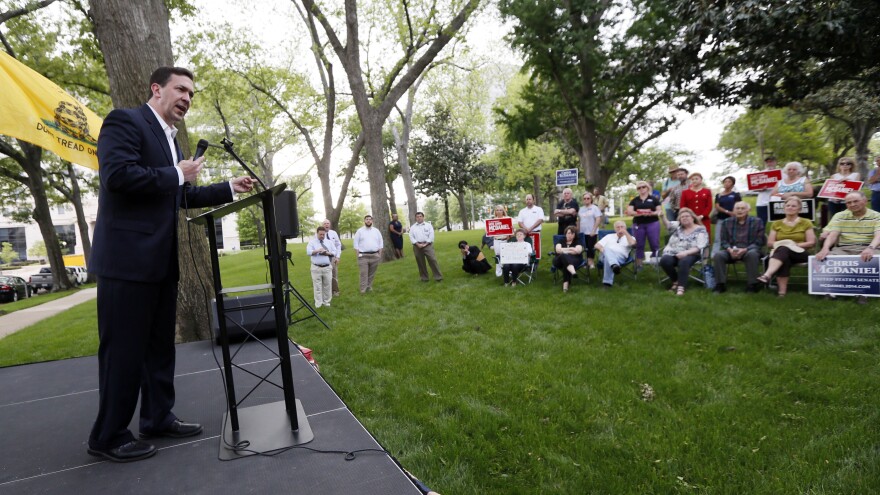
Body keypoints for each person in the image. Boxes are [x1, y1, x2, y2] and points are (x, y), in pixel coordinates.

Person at [87, 66, 255, 462]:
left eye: (192, 94)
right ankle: (108, 435)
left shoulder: (171, 143)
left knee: (159, 347)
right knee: (124, 351)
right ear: (157, 89)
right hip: (126, 262)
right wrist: (175, 173)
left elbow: (178, 196)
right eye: (181, 89)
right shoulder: (124, 121)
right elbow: (117, 176)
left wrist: (228, 187)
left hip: (160, 263)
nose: (187, 98)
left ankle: (156, 417)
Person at [816, 191, 880, 304]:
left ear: (865, 201)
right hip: (844, 248)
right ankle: (832, 291)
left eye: (856, 201)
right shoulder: (840, 215)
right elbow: (833, 234)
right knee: (828, 258)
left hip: (868, 247)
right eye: (849, 202)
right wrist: (825, 248)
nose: (852, 204)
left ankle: (863, 293)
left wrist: (871, 248)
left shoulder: (876, 216)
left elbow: (878, 235)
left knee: (871, 260)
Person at [756, 197, 816, 297]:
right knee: (784, 257)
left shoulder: (806, 222)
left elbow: (811, 242)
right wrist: (785, 245)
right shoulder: (777, 223)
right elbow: (770, 243)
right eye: (788, 205)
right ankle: (781, 293)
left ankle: (767, 275)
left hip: (800, 253)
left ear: (799, 209)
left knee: (784, 249)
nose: (790, 207)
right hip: (781, 254)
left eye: (793, 206)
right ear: (784, 208)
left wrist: (791, 245)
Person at [713, 201, 765, 293]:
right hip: (732, 250)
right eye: (737, 208)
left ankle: (752, 285)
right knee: (718, 255)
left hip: (750, 249)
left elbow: (759, 241)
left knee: (752, 254)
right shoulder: (726, 222)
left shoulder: (757, 221)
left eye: (742, 208)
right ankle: (720, 285)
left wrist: (745, 250)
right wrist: (729, 249)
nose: (740, 210)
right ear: (733, 210)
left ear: (748, 210)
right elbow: (724, 241)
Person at [658, 208, 709, 296]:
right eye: (682, 217)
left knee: (684, 261)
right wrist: (662, 217)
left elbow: (700, 246)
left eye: (687, 216)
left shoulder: (700, 229)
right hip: (674, 252)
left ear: (693, 218)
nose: (684, 218)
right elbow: (668, 225)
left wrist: (685, 253)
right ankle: (675, 281)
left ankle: (681, 287)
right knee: (664, 260)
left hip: (692, 253)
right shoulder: (678, 227)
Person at [626, 180, 662, 270]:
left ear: (647, 188)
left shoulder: (654, 199)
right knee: (639, 244)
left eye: (643, 187)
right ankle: (639, 264)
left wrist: (651, 213)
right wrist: (639, 213)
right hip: (638, 223)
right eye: (639, 187)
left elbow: (659, 211)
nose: (641, 189)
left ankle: (655, 263)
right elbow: (630, 211)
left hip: (652, 223)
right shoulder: (635, 200)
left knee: (654, 243)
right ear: (637, 189)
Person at [595, 220, 637, 289]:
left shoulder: (630, 238)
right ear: (615, 229)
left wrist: (626, 233)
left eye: (622, 227)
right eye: (618, 227)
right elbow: (596, 245)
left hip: (620, 258)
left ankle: (607, 283)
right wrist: (602, 249)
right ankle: (614, 265)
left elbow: (633, 244)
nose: (620, 229)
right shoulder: (609, 236)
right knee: (607, 249)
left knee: (607, 258)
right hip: (603, 255)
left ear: (625, 228)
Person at [306, 226, 339, 307]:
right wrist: (317, 251)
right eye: (320, 234)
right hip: (316, 268)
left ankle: (326, 302)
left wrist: (328, 253)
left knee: (327, 285)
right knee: (317, 286)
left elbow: (334, 251)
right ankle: (318, 303)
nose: (322, 236)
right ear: (317, 233)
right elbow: (308, 252)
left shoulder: (329, 242)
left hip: (327, 267)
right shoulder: (312, 242)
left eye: (323, 234)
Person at [353, 214, 383, 293]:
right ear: (364, 221)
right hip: (363, 256)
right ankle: (363, 290)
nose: (368, 220)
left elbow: (381, 243)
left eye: (370, 219)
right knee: (363, 274)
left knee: (371, 273)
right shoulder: (360, 231)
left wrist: (379, 255)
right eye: (367, 219)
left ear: (372, 221)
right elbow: (355, 244)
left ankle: (369, 287)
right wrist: (358, 255)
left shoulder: (376, 231)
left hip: (374, 255)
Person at [410, 212, 443, 282]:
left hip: (428, 245)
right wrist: (417, 244)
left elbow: (431, 236)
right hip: (417, 246)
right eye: (417, 217)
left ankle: (438, 277)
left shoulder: (428, 226)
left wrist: (426, 244)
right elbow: (411, 237)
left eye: (420, 216)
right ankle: (424, 278)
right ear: (415, 218)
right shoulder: (413, 227)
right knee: (420, 263)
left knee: (433, 260)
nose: (419, 218)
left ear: (423, 217)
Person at [713, 176, 741, 254]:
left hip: (732, 219)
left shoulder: (736, 195)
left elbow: (738, 205)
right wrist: (727, 211)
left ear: (732, 184)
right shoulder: (719, 195)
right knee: (717, 237)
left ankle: (734, 252)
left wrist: (734, 213)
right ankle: (714, 254)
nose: (727, 183)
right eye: (725, 182)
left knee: (733, 237)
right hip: (721, 218)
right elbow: (717, 206)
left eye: (729, 182)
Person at [680, 172, 713, 237]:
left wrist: (702, 216)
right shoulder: (685, 192)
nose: (694, 180)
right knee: (691, 236)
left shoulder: (707, 191)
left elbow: (709, 206)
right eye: (692, 179)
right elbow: (683, 206)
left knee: (705, 236)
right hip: (690, 219)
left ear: (701, 180)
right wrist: (690, 217)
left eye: (696, 179)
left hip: (704, 219)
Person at [553, 225, 584, 292]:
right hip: (558, 261)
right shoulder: (561, 241)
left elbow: (578, 251)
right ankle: (573, 272)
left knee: (565, 264)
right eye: (568, 233)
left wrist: (563, 250)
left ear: (575, 235)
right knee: (563, 256)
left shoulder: (577, 242)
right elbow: (558, 250)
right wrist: (571, 249)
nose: (570, 235)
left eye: (572, 233)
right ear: (566, 234)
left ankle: (565, 286)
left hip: (575, 260)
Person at [576, 191, 602, 269]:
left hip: (592, 232)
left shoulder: (595, 208)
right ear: (583, 200)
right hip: (583, 232)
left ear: (591, 199)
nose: (586, 200)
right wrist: (578, 231)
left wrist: (594, 230)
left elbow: (598, 219)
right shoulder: (581, 209)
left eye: (588, 198)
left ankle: (591, 263)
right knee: (585, 248)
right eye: (584, 198)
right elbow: (578, 220)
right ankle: (586, 262)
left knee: (591, 247)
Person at [322, 219, 343, 296]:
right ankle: (326, 292)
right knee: (324, 275)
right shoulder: (319, 234)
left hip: (333, 257)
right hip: (323, 258)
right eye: (325, 223)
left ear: (329, 225)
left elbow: (338, 245)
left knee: (334, 275)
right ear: (322, 225)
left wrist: (338, 257)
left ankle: (335, 291)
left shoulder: (333, 233)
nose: (326, 225)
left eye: (328, 223)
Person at [756, 156, 778, 225]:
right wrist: (760, 189)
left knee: (778, 221)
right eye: (767, 162)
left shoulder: (781, 173)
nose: (769, 163)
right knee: (761, 222)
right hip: (762, 202)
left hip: (777, 200)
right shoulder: (760, 174)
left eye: (771, 161)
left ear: (775, 162)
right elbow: (754, 188)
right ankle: (761, 235)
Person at [491, 205, 513, 277]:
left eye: (500, 210)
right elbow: (489, 231)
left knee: (507, 256)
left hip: (505, 240)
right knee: (498, 256)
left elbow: (512, 230)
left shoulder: (508, 219)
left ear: (503, 211)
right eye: (497, 210)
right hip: (497, 240)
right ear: (495, 212)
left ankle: (509, 271)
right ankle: (499, 272)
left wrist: (509, 236)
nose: (499, 211)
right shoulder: (492, 220)